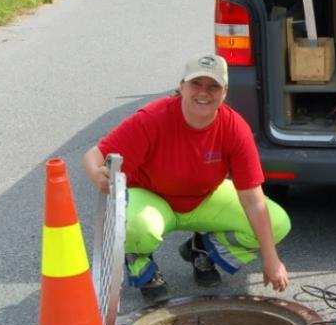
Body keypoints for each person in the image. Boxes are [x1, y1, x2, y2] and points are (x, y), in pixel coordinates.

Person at [83, 53, 290, 299]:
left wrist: (271, 259)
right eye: (196, 84)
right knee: (138, 227)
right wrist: (97, 174)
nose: (204, 93)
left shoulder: (235, 128)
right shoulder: (152, 118)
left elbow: (254, 200)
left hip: (203, 197)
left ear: (224, 93)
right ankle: (142, 266)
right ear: (181, 86)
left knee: (278, 223)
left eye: (213, 86)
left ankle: (202, 249)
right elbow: (94, 156)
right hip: (152, 196)